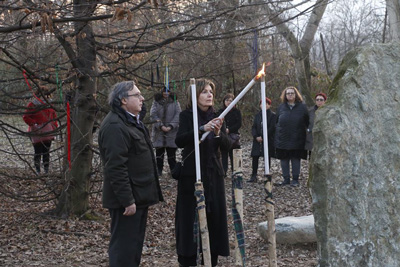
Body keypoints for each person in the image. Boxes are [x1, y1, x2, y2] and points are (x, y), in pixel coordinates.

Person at [98, 81, 163, 267]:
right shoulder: (114, 126)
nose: (142, 98)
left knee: (133, 248)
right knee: (123, 250)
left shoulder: (131, 121)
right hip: (127, 202)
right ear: (123, 100)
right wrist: (127, 200)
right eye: (137, 95)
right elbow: (116, 167)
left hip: (139, 196)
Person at [174, 79, 230, 267]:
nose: (209, 95)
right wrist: (200, 129)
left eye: (211, 91)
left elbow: (228, 144)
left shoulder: (219, 116)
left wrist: (217, 133)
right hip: (191, 175)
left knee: (214, 218)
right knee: (190, 218)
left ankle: (210, 258)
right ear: (195, 95)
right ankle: (188, 259)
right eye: (204, 91)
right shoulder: (186, 116)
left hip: (213, 174)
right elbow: (179, 140)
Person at [274, 86, 309, 187]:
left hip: (297, 138)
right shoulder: (281, 107)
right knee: (284, 159)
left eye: (292, 93)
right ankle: (286, 179)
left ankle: (295, 179)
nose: (290, 95)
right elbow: (276, 121)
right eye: (288, 93)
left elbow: (306, 121)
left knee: (295, 159)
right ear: (285, 95)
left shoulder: (302, 107)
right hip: (283, 138)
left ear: (296, 95)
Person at [23, 90, 58, 174]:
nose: (45, 97)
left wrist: (54, 127)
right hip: (36, 132)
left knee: (46, 152)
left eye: (46, 95)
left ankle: (46, 170)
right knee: (38, 152)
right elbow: (25, 117)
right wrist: (33, 124)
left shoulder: (49, 105)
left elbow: (54, 117)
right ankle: (37, 170)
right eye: (43, 95)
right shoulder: (32, 105)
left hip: (48, 132)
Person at [150, 87, 181, 175]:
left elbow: (178, 114)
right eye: (164, 91)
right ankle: (159, 171)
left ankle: (173, 171)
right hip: (159, 132)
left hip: (172, 132)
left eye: (168, 91)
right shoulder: (156, 102)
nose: (166, 93)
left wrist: (171, 126)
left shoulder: (175, 102)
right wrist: (161, 126)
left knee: (172, 154)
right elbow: (153, 114)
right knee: (159, 154)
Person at [249, 97, 276, 183]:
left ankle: (266, 175)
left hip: (267, 140)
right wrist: (256, 136)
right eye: (262, 104)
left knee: (267, 157)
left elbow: (272, 128)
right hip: (257, 140)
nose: (263, 105)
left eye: (266, 104)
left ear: (269, 105)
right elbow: (254, 127)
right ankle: (254, 175)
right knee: (255, 157)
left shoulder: (272, 115)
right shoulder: (257, 115)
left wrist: (264, 136)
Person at [217, 93, 242, 175]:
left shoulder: (237, 112)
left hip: (233, 136)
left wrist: (230, 129)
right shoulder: (220, 112)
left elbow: (239, 123)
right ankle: (224, 171)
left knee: (233, 155)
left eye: (231, 100)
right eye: (227, 100)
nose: (228, 102)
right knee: (224, 154)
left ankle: (235, 171)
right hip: (223, 136)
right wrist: (223, 130)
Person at [305, 92, 327, 158]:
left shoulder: (329, 111)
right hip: (312, 138)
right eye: (317, 100)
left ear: (325, 101)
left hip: (324, 139)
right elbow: (305, 123)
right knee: (312, 158)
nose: (319, 101)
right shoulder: (310, 111)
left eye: (321, 100)